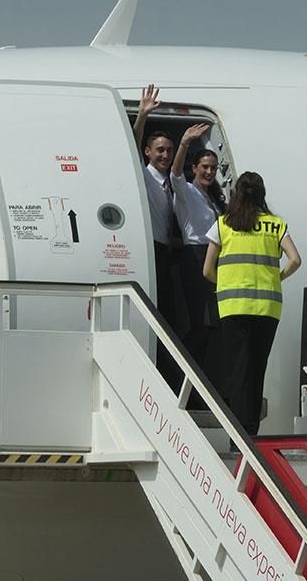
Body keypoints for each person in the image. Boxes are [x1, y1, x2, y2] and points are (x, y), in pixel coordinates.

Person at [203, 172, 301, 435]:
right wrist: (277, 277)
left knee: (237, 371)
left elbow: (207, 269)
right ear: (262, 194)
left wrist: (225, 283)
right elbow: (295, 260)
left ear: (237, 194)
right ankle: (252, 429)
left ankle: (238, 433)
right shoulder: (275, 225)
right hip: (267, 308)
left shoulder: (224, 224)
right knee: (257, 369)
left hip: (233, 306)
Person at [131, 84, 183, 388]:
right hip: (152, 251)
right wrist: (142, 116)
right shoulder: (144, 175)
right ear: (148, 152)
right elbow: (135, 141)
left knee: (171, 318)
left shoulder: (172, 182)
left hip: (168, 252)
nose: (165, 155)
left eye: (169, 150)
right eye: (160, 150)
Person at [169, 122, 226, 373]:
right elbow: (175, 174)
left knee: (212, 324)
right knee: (201, 323)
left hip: (213, 257)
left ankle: (202, 372)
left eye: (213, 168)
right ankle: (181, 371)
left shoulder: (213, 198)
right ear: (195, 168)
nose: (209, 172)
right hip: (195, 256)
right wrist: (184, 143)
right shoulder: (187, 192)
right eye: (204, 167)